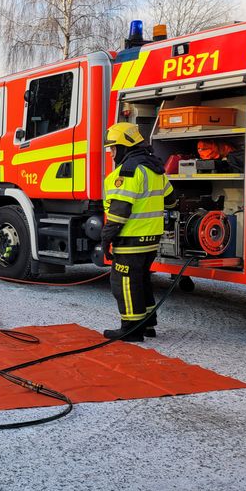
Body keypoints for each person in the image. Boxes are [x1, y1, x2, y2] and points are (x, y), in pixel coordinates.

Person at [100, 122, 177, 342]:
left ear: (124, 147)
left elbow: (119, 212)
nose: (112, 153)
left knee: (123, 281)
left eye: (114, 148)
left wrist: (106, 239)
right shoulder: (155, 169)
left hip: (131, 237)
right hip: (151, 239)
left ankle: (131, 329)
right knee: (141, 279)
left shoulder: (129, 171)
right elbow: (171, 201)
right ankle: (147, 324)